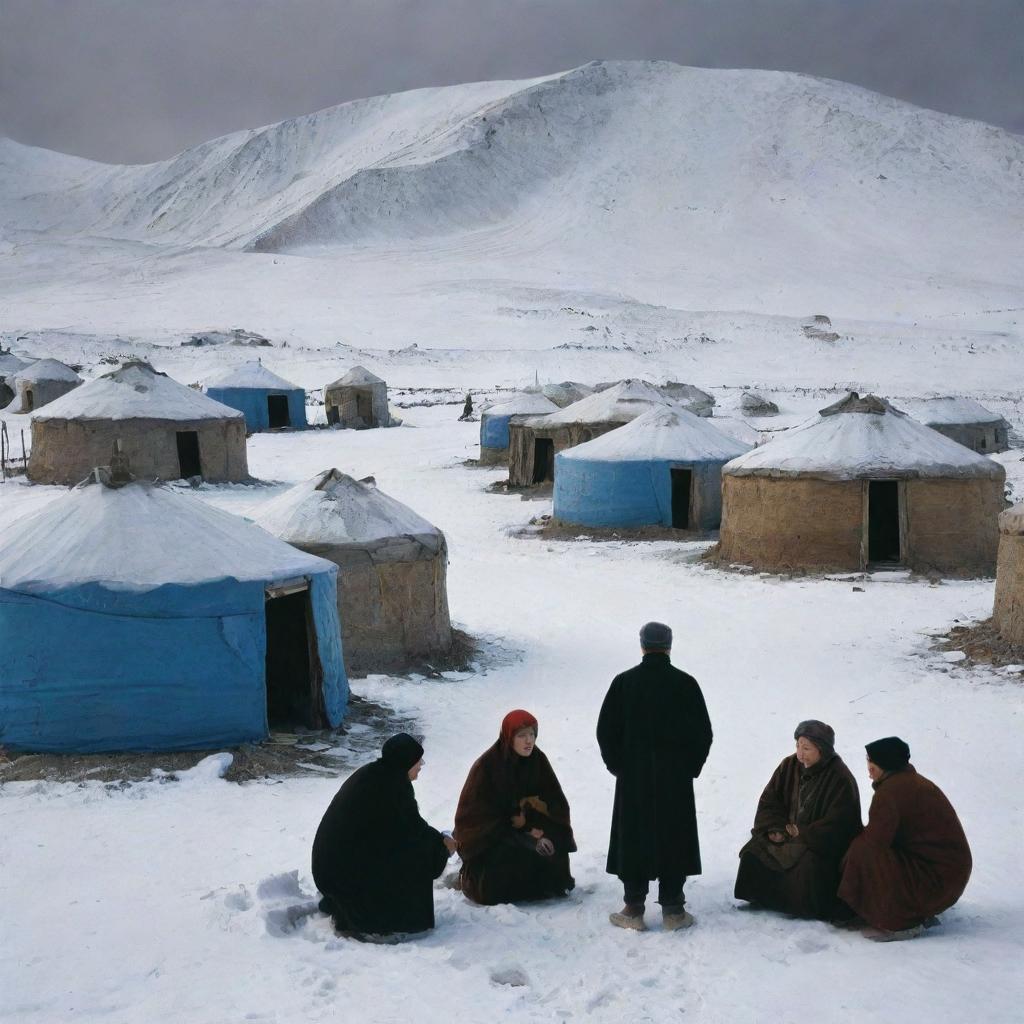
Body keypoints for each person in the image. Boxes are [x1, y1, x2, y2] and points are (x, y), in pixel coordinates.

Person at [597, 622, 713, 931]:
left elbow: (605, 732)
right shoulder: (686, 684)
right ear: (669, 646)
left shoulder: (624, 683)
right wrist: (690, 768)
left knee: (634, 835)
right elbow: (703, 734)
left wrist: (618, 767)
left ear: (642, 645)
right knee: (674, 835)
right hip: (675, 780)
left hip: (633, 779)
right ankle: (674, 909)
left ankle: (633, 908)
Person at [311, 733, 456, 940]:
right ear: (405, 762)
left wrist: (438, 841)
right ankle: (379, 921)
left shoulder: (379, 775)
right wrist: (442, 849)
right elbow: (411, 836)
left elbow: (410, 826)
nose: (421, 764)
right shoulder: (389, 787)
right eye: (417, 761)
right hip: (341, 876)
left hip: (334, 873)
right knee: (416, 860)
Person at [837, 736, 973, 942]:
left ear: (885, 764)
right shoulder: (911, 782)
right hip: (950, 876)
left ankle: (901, 921)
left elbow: (874, 843)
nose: (869, 767)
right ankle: (911, 911)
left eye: (872, 761)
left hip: (936, 881)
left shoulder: (891, 792)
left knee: (862, 851)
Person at [734, 720, 861, 919]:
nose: (800, 754)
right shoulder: (789, 765)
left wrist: (804, 834)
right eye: (798, 746)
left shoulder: (840, 777)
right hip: (786, 833)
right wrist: (774, 828)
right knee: (754, 851)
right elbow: (769, 800)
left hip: (818, 843)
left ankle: (801, 907)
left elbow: (841, 823)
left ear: (822, 750)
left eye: (807, 748)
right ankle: (761, 897)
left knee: (808, 866)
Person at [455, 709, 576, 904]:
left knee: (550, 845)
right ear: (509, 737)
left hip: (530, 827)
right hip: (495, 836)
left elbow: (557, 804)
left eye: (532, 734)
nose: (529, 741)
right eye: (521, 735)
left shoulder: (538, 761)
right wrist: (516, 826)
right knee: (500, 869)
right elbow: (472, 818)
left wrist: (532, 820)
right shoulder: (487, 766)